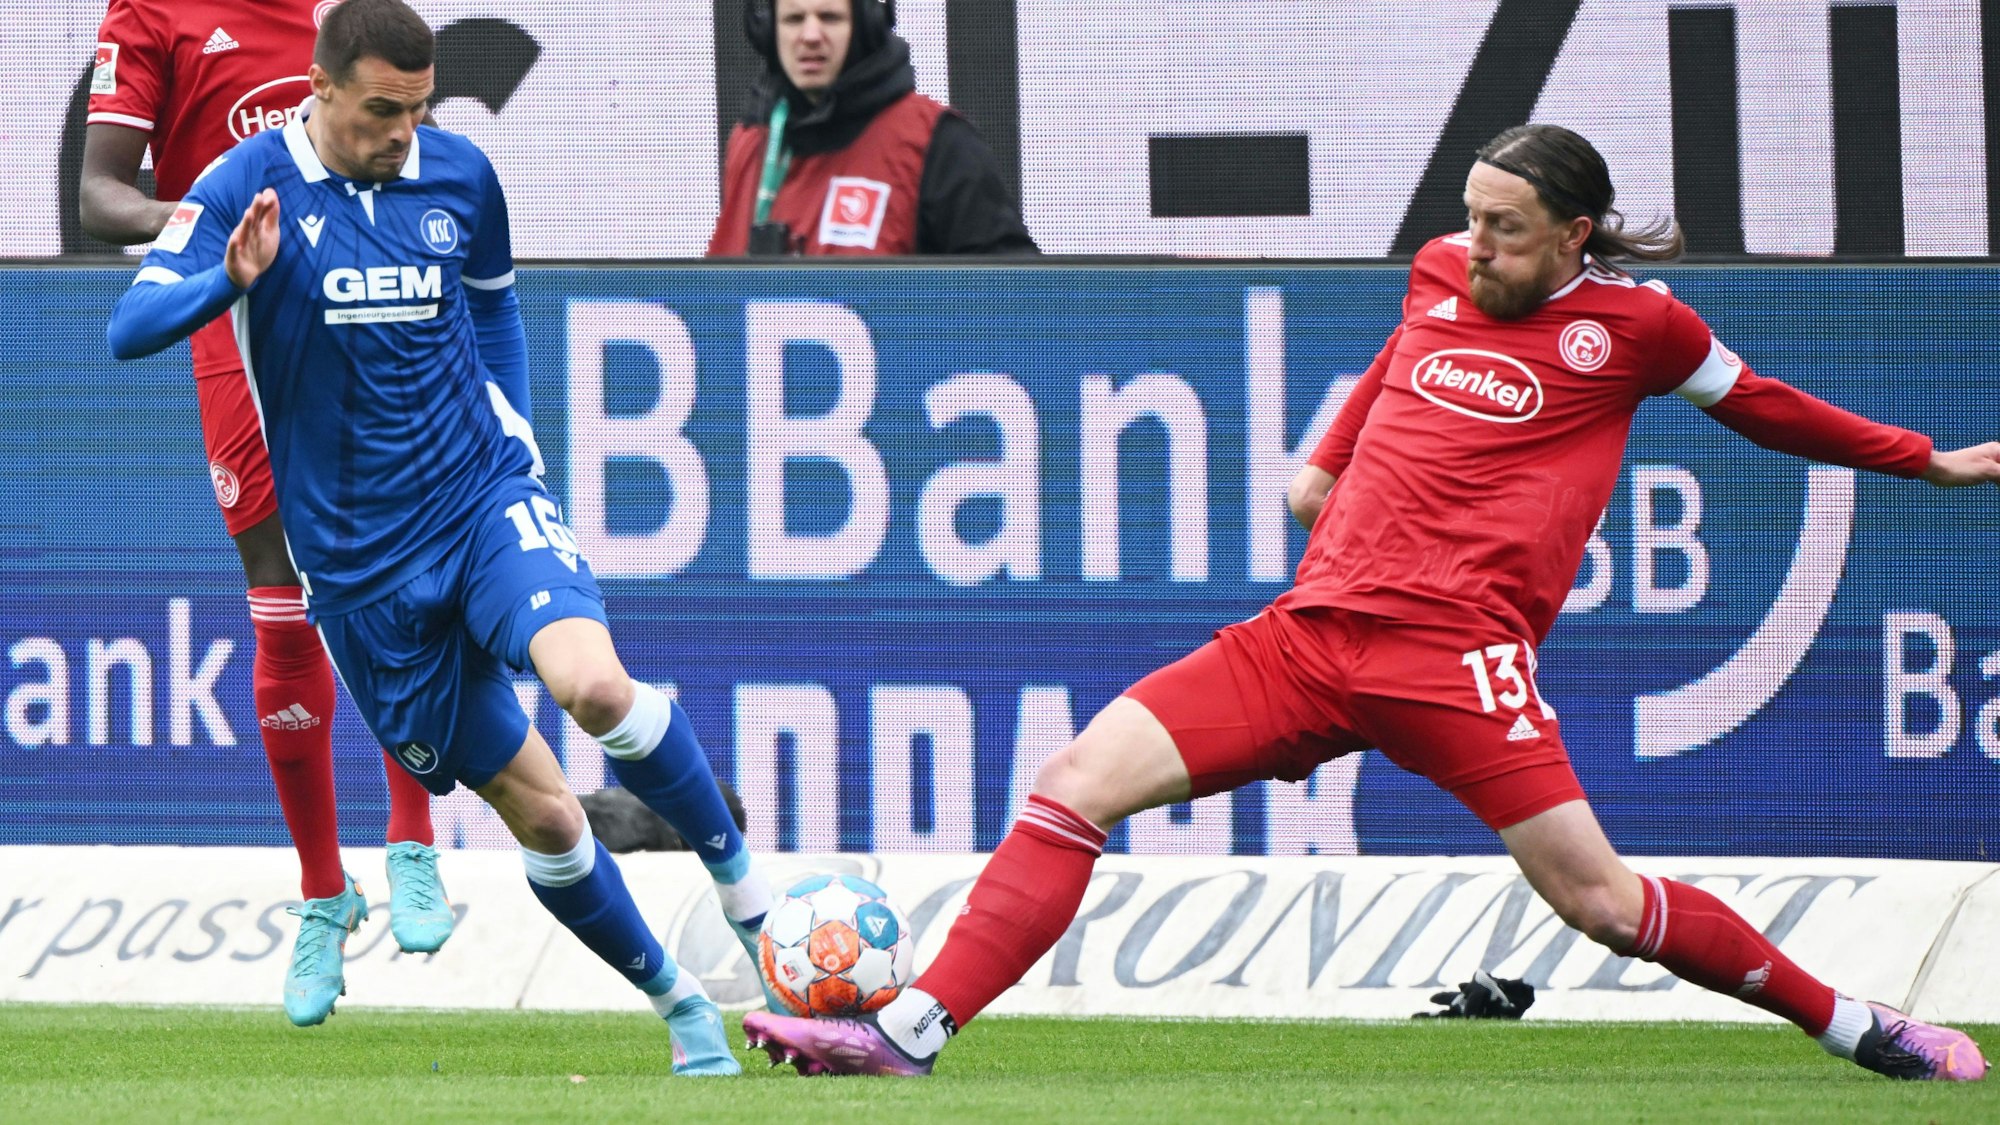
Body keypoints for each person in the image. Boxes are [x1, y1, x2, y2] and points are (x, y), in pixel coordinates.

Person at [742, 123, 2000, 1081]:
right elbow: (1401, 356)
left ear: (1573, 233)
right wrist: (1326, 462)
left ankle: (1853, 1027)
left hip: (1454, 661)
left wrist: (1920, 456)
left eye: (1508, 227)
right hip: (1307, 635)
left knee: (1603, 906)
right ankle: (908, 1032)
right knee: (1075, 779)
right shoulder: (1441, 271)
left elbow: (1766, 405)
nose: (1478, 244)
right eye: (1472, 218)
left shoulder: (1636, 329)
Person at [106, 0, 775, 1068]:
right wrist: (223, 283)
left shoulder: (458, 173)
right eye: (380, 110)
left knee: (595, 689)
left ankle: (757, 912)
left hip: (479, 503)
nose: (401, 132)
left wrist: (515, 429)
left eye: (417, 110)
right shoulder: (242, 190)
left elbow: (496, 306)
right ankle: (680, 1006)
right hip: (363, 574)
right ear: (318, 91)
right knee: (549, 819)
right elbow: (125, 330)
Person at [78, 0, 462, 1027]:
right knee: (279, 599)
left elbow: (408, 149)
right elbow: (97, 193)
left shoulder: (342, 19)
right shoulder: (150, 15)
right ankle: (322, 896)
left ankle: (413, 838)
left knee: (395, 582)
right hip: (231, 316)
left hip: (355, 306)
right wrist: (212, 229)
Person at [706, 0, 1037, 256]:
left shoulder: (936, 142)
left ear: (865, 24)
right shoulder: (749, 144)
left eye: (829, 17)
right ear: (768, 31)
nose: (810, 36)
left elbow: (1015, 304)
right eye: (794, 19)